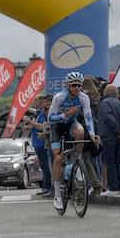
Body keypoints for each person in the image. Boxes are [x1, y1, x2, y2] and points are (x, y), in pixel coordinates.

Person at [48, 71, 100, 211]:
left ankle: (77, 161)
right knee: (58, 158)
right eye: (74, 85)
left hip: (71, 124)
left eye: (79, 85)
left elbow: (88, 117)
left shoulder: (84, 98)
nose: (77, 88)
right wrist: (66, 114)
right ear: (68, 85)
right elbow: (50, 118)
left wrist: (92, 134)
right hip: (57, 127)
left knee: (80, 131)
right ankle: (58, 194)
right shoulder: (59, 97)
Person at [98, 84, 120, 195]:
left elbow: (109, 118)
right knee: (117, 162)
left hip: (109, 136)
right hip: (119, 137)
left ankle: (113, 187)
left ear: (106, 92)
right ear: (116, 93)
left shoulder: (105, 103)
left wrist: (117, 131)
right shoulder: (119, 103)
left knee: (109, 161)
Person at [25, 96, 52, 196]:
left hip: (42, 144)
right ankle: (45, 186)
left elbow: (42, 127)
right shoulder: (39, 113)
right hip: (38, 144)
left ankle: (47, 186)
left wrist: (30, 122)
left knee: (46, 166)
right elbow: (37, 126)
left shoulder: (44, 114)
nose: (34, 102)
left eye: (35, 100)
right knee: (44, 166)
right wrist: (29, 127)